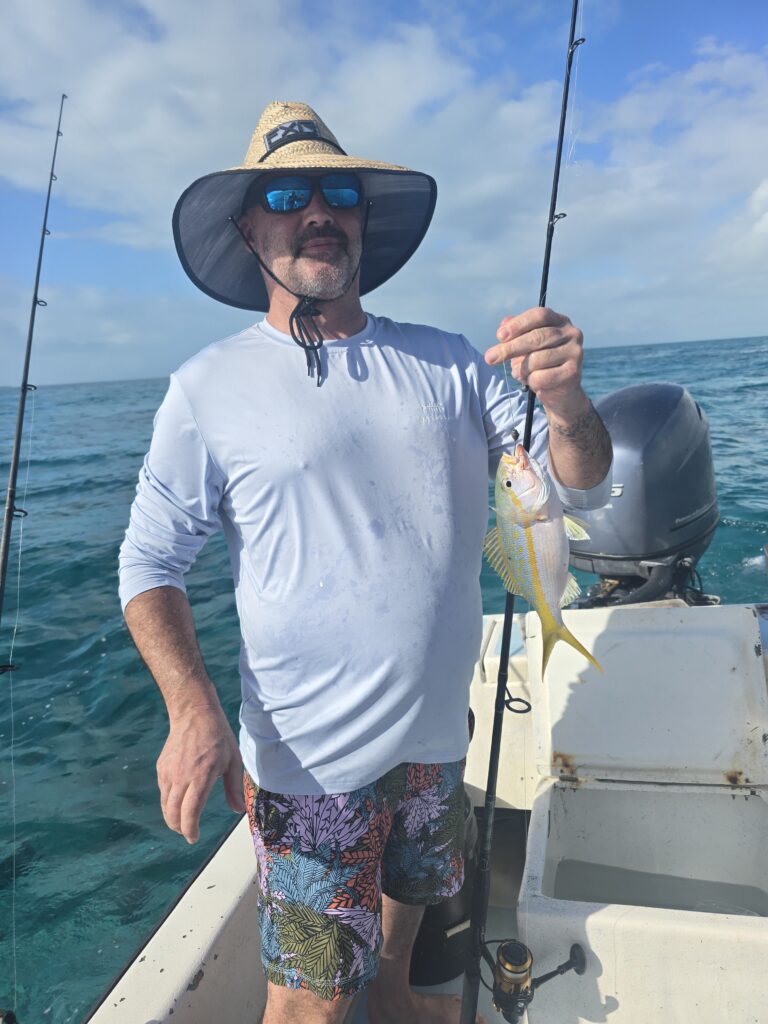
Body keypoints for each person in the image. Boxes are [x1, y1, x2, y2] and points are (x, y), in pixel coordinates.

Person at [118, 101, 612, 1024]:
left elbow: (571, 484)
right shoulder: (206, 389)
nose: (318, 209)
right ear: (248, 226)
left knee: (402, 926)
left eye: (339, 191)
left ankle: (392, 1002)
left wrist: (569, 402)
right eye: (287, 193)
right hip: (309, 768)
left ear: (362, 219)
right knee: (309, 1004)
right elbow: (149, 562)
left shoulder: (452, 365)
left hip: (435, 744)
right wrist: (192, 712)